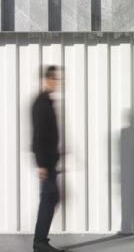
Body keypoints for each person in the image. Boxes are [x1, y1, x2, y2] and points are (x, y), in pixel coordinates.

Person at [31, 66, 64, 252]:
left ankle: (40, 240)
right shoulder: (41, 103)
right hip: (46, 163)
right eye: (53, 79)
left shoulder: (47, 101)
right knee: (49, 198)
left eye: (57, 79)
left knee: (51, 197)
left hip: (50, 161)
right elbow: (38, 135)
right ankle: (39, 242)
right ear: (45, 80)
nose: (56, 82)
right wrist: (41, 164)